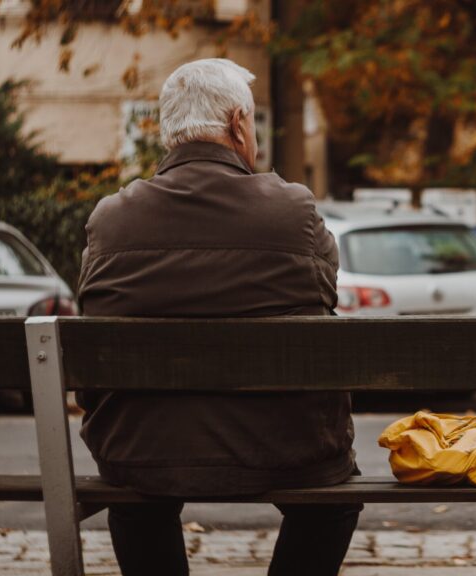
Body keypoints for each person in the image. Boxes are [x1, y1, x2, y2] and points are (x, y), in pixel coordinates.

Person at [76, 58, 359, 576]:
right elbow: (323, 300)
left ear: (169, 133)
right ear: (237, 124)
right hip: (285, 448)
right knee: (332, 499)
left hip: (143, 452)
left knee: (135, 495)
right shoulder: (293, 211)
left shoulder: (111, 220)